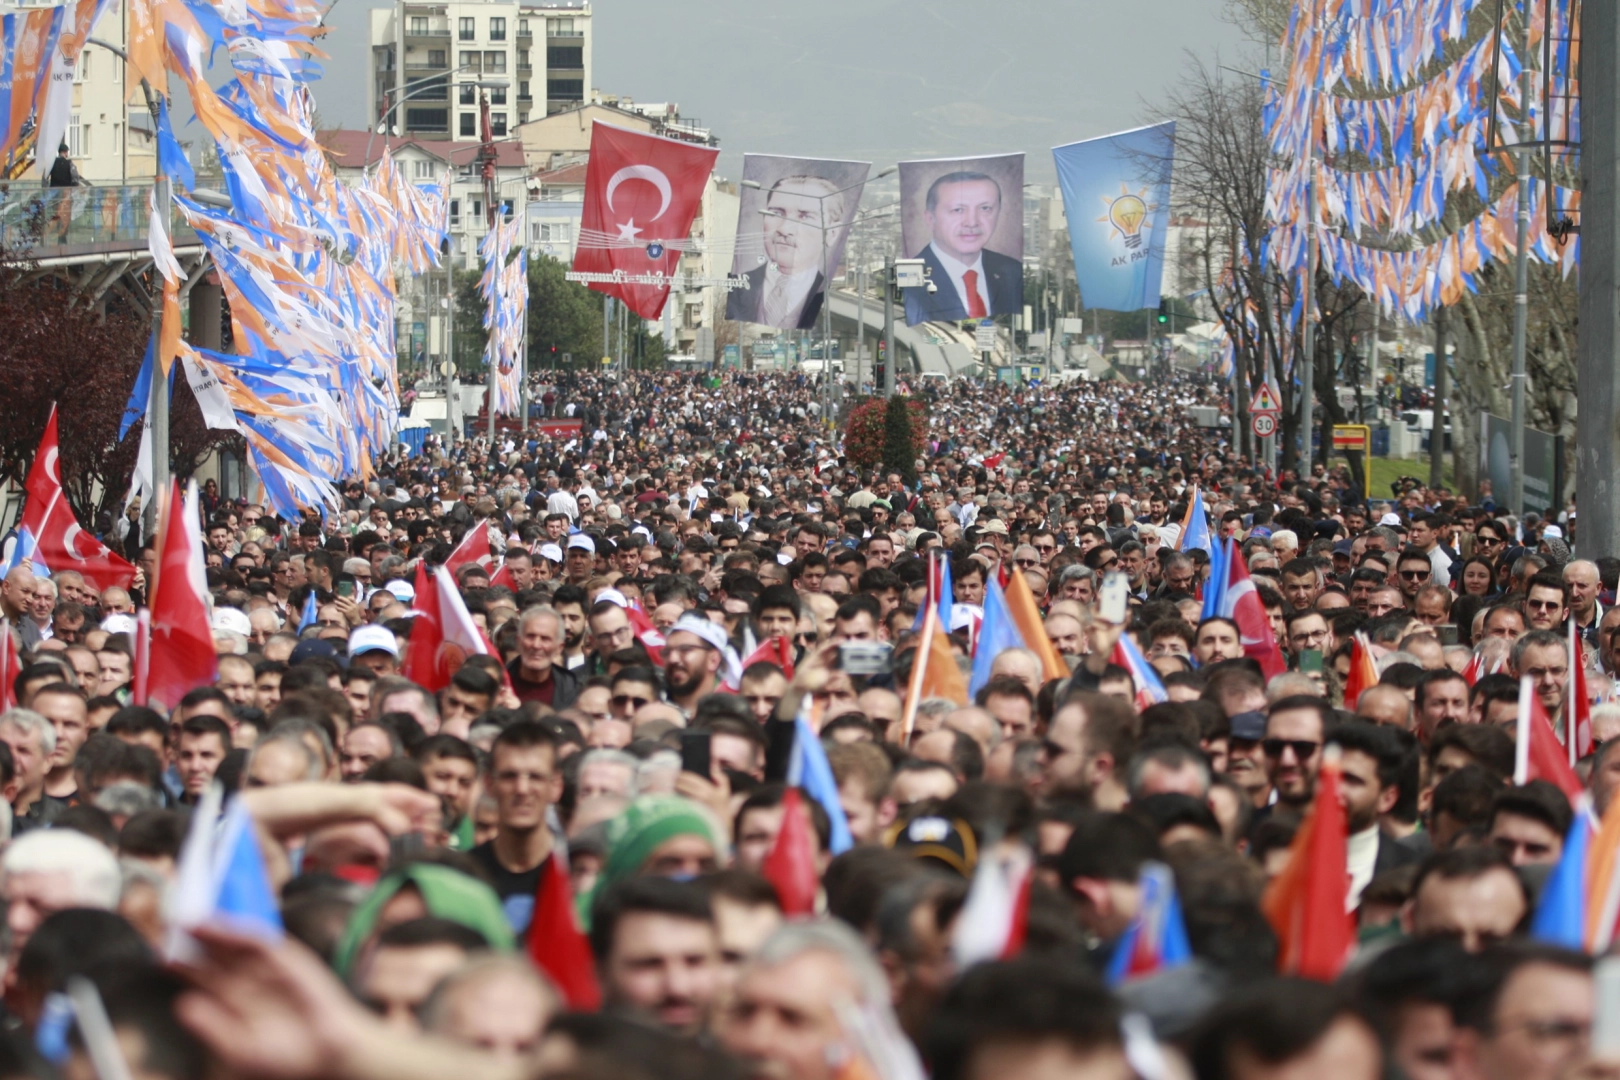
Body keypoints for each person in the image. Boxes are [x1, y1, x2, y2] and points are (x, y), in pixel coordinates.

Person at [727, 174, 843, 330]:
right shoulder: (737, 287)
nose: (784, 229)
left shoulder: (830, 298)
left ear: (831, 233)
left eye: (805, 216)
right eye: (776, 213)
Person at [904, 170, 1022, 324]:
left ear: (998, 213)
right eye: (958, 210)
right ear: (930, 218)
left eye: (985, 208)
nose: (972, 222)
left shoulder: (1011, 271)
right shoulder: (911, 278)